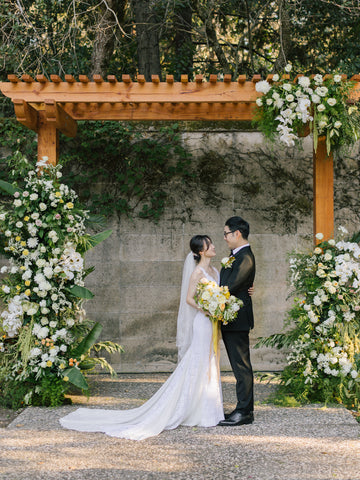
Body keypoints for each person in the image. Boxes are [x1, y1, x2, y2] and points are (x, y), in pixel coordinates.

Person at [60, 235, 224, 440]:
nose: (214, 246)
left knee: (211, 361)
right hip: (203, 321)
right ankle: (194, 409)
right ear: (201, 250)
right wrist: (206, 309)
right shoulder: (197, 273)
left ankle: (209, 409)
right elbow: (189, 299)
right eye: (210, 244)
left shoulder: (215, 271)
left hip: (213, 323)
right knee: (199, 360)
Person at [218, 216, 256, 427]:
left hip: (238, 319)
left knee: (241, 366)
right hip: (231, 318)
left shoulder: (245, 257)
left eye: (226, 234)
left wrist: (208, 292)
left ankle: (245, 412)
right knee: (238, 365)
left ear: (237, 233)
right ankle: (242, 408)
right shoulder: (237, 256)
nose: (224, 238)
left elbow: (229, 286)